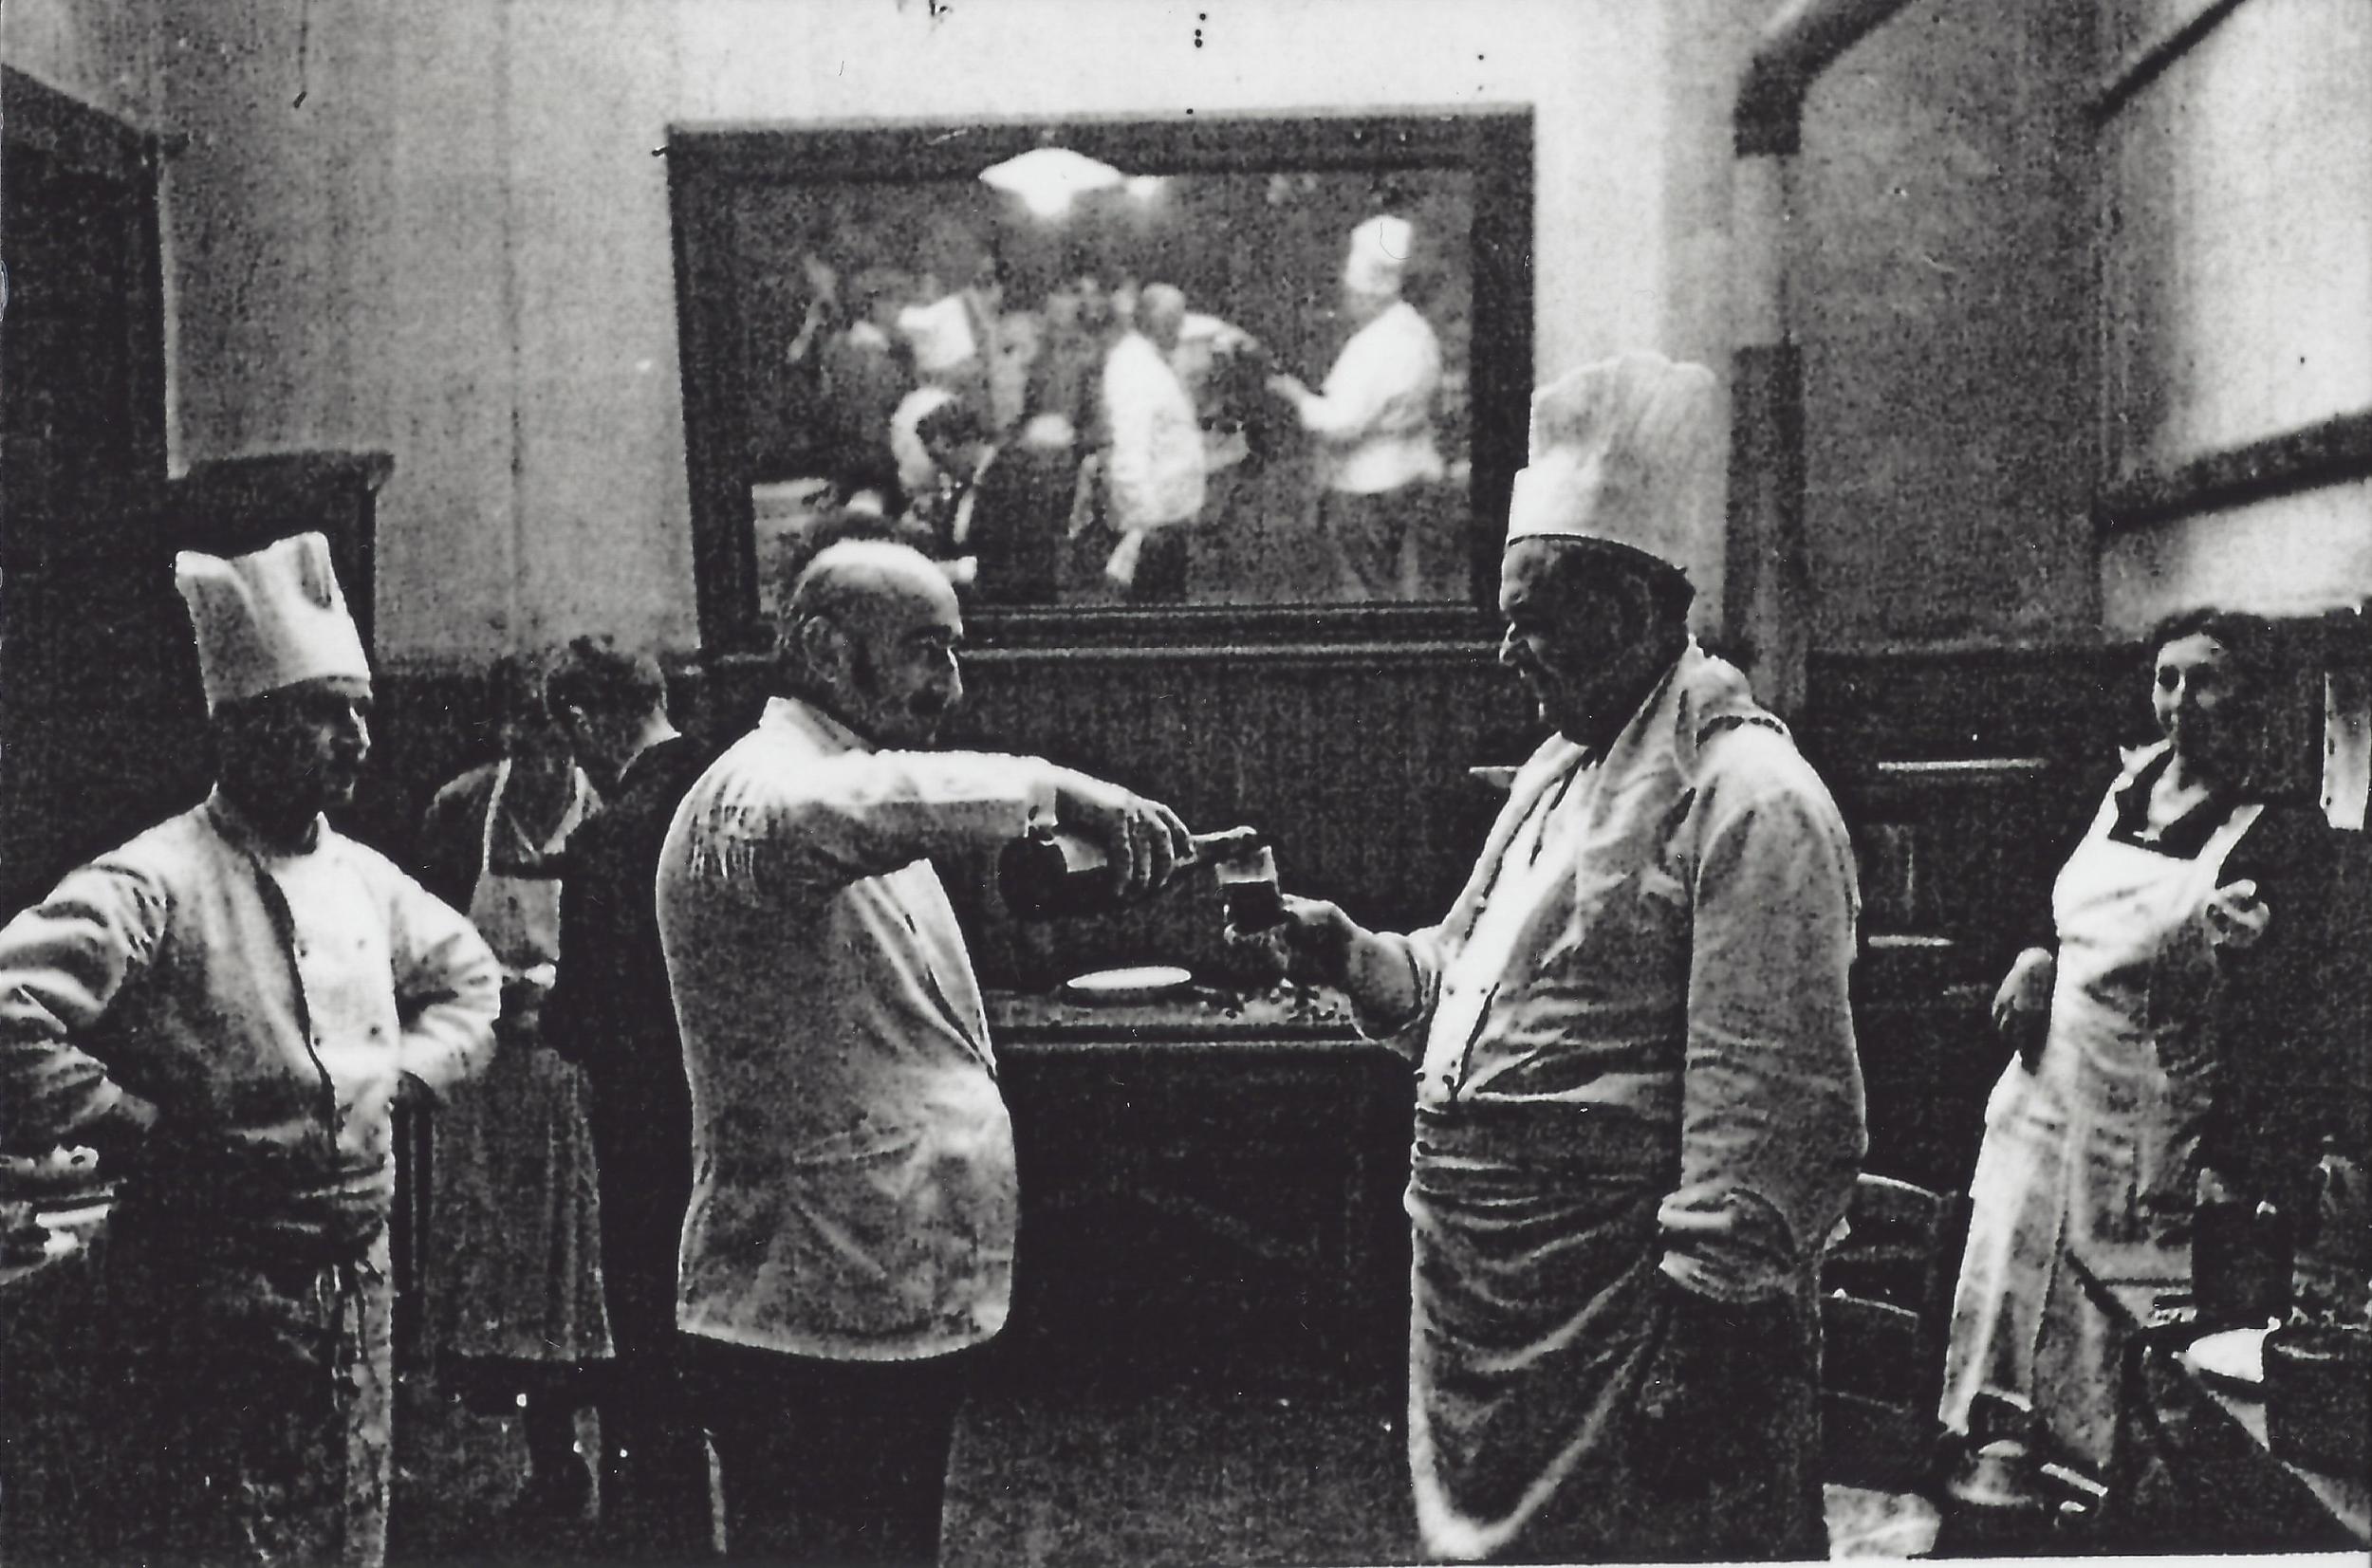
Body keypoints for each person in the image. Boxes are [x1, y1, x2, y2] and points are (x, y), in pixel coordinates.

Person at [1272, 352, 1865, 1562]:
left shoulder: (1752, 799)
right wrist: (1349, 955)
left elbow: (1767, 1103)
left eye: (1532, 624)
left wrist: (1703, 1341)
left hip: (1626, 1323)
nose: (1507, 656)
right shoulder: (1559, 774)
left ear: (1634, 611)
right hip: (1495, 1318)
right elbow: (1469, 991)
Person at [656, 538, 1193, 1563]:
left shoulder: (855, 782)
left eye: (955, 653)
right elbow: (857, 810)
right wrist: (1053, 787)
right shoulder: (755, 790)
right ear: (824, 649)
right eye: (924, 650)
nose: (949, 685)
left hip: (877, 1293)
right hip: (801, 1305)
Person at [0, 532, 502, 1567]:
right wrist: (127, 1121)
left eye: (363, 712)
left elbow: (472, 982)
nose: (355, 739)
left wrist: (398, 1082)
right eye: (325, 713)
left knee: (347, 1528)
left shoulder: (366, 877)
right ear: (243, 727)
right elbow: (10, 1003)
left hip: (359, 1276)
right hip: (208, 1275)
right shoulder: (156, 879)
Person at [1940, 606, 2348, 1472]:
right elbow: (2037, 894)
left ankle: (2093, 1507)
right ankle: (1988, 1483)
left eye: (2208, 680)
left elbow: (2291, 1024)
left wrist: (2242, 1161)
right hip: (2040, 1108)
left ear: (2255, 698)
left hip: (2145, 1134)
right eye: (2168, 679)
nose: (2181, 701)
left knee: (2108, 1353)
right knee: (2003, 1326)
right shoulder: (2115, 789)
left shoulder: (2279, 835)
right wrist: (2035, 953)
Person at [417, 653, 610, 1520]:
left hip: (577, 1080)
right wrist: (483, 988)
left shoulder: (606, 816)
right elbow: (419, 941)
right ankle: (538, 1453)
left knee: (575, 1270)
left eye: (556, 728)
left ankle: (593, 1455)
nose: (540, 748)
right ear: (501, 731)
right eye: (524, 728)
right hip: (487, 1082)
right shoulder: (460, 812)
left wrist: (562, 993)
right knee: (501, 1268)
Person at [540, 636, 717, 1558]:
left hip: (647, 1132)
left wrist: (540, 1002)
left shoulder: (608, 840)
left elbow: (580, 1018)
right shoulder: (730, 788)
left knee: (652, 1346)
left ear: (580, 721)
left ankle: (662, 1539)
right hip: (741, 1116)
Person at [1269, 212, 1447, 600]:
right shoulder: (1416, 330)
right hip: (1410, 471)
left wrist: (1296, 396)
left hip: (1369, 483)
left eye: (1349, 294)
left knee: (1370, 588)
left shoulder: (1375, 346)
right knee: (1402, 580)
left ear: (1366, 295)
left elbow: (1343, 423)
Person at [1078, 285, 1205, 601]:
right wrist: (1146, 519)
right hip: (1153, 523)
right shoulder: (1134, 368)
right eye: (1173, 320)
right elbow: (1129, 450)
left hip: (1167, 519)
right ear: (1153, 322)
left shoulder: (1153, 362)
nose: (1180, 329)